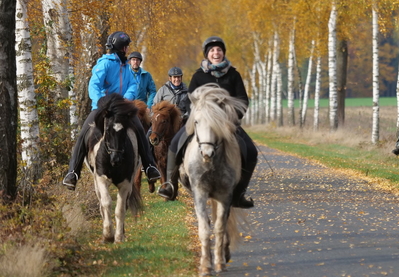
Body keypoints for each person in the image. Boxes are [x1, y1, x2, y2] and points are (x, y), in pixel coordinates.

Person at [157, 36, 258, 208]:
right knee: (175, 144)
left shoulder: (233, 75)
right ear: (207, 55)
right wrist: (196, 114)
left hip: (226, 124)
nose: (216, 53)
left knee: (251, 152)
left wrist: (232, 116)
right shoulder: (199, 76)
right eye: (212, 50)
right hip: (202, 123)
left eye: (219, 50)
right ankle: (170, 185)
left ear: (223, 53)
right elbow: (190, 100)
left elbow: (242, 100)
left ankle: (239, 193)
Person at [62, 31, 161, 190]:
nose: (127, 50)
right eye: (126, 47)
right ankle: (73, 172)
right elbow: (94, 85)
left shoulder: (127, 67)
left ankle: (150, 167)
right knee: (83, 134)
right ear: (120, 48)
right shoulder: (105, 64)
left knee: (140, 131)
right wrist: (102, 101)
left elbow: (132, 85)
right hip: (102, 108)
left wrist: (125, 100)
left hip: (122, 108)